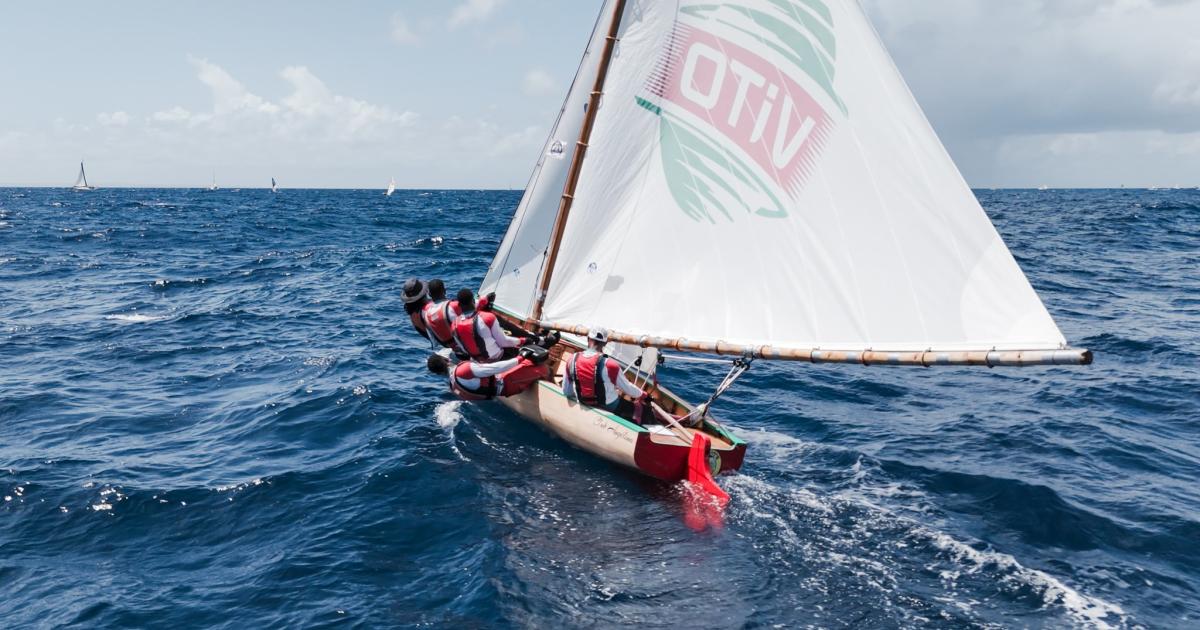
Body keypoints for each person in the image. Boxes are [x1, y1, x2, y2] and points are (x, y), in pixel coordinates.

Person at [562, 327, 647, 417]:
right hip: (609, 406)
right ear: (605, 343)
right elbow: (628, 389)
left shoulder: (572, 359)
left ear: (588, 339)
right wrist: (643, 395)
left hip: (583, 402)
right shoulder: (610, 364)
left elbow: (566, 391)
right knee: (638, 409)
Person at [427, 346, 550, 401]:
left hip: (501, 388)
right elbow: (495, 368)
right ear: (446, 360)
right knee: (544, 368)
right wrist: (520, 358)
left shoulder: (453, 384)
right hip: (508, 383)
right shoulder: (462, 370)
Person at [451, 288, 526, 362]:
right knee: (520, 343)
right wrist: (522, 340)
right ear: (473, 301)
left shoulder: (454, 324)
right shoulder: (488, 318)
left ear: (459, 304)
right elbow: (503, 342)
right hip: (498, 357)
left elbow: (463, 348)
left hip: (476, 361)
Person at [420, 279, 463, 351]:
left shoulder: (426, 314)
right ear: (445, 291)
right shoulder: (453, 305)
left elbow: (433, 339)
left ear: (429, 294)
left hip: (445, 347)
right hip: (462, 345)